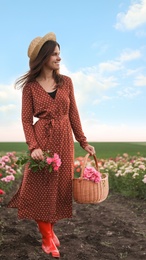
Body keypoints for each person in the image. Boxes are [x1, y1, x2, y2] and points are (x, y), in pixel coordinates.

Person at [8, 32, 95, 258]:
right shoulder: (30, 87)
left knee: (58, 189)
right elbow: (27, 120)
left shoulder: (66, 82)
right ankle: (46, 237)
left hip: (64, 140)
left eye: (59, 54)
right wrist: (33, 146)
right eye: (55, 54)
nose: (59, 58)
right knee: (39, 188)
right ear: (44, 57)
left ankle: (50, 230)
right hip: (42, 141)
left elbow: (73, 113)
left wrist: (83, 141)